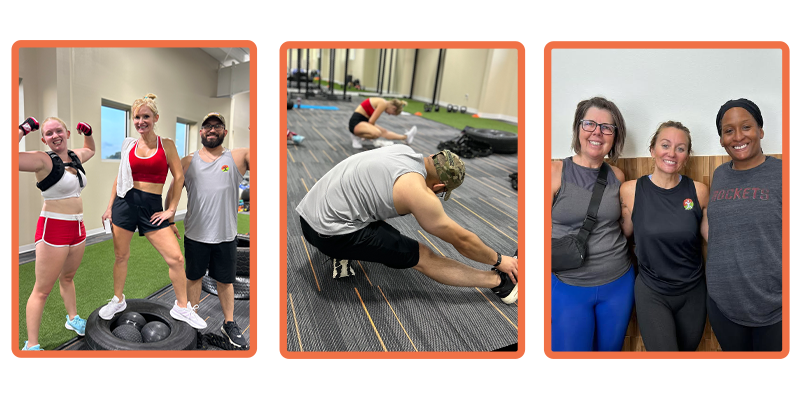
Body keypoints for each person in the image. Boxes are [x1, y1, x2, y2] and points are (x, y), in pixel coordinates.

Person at [296, 145, 518, 304]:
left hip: (307, 214)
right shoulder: (421, 194)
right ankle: (498, 282)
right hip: (329, 234)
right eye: (442, 192)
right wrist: (500, 260)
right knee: (424, 256)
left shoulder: (402, 151)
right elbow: (461, 240)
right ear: (440, 186)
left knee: (377, 214)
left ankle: (344, 246)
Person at [98, 94, 206, 329]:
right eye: (137, 117)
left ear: (155, 118)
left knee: (176, 258)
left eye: (145, 116)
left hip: (152, 207)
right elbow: (120, 179)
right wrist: (109, 207)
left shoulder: (166, 144)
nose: (140, 121)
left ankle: (181, 306)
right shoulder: (129, 145)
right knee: (120, 256)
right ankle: (118, 300)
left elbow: (178, 177)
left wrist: (171, 211)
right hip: (125, 205)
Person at [550, 97, 632, 351]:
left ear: (614, 136)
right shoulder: (553, 171)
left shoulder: (617, 176)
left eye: (607, 127)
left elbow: (622, 227)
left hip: (619, 283)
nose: (597, 132)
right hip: (568, 285)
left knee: (609, 356)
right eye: (590, 124)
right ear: (578, 129)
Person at [619, 121, 709, 351]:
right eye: (665, 145)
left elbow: (714, 238)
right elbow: (621, 234)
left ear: (687, 156)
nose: (672, 153)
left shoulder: (698, 191)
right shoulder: (631, 191)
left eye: (680, 148)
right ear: (652, 150)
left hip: (693, 292)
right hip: (652, 291)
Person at [166, 112, 250, 349]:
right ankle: (192, 320)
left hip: (225, 235)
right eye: (207, 126)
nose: (212, 129)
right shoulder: (188, 161)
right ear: (201, 132)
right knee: (194, 278)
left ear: (224, 131)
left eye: (217, 126)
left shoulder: (237, 157)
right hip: (196, 234)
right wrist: (169, 220)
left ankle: (229, 323)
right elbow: (172, 192)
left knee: (225, 281)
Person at [703, 98, 782, 351]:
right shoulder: (719, 175)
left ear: (760, 130)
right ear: (721, 139)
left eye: (746, 127)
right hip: (723, 306)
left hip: (776, 308)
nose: (738, 136)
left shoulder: (786, 174)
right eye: (728, 130)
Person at [18, 116, 95, 350]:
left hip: (78, 227)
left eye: (59, 131)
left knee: (68, 278)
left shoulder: (74, 156)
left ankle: (73, 319)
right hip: (53, 228)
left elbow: (90, 149)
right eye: (49, 133)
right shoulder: (42, 160)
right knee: (42, 290)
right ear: (43, 139)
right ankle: (32, 345)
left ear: (67, 133)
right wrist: (21, 130)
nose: (55, 136)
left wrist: (88, 133)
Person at [349, 97, 416, 149]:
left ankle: (406, 137)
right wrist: (369, 133)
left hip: (363, 122)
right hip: (355, 123)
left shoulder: (382, 102)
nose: (389, 114)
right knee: (377, 133)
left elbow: (371, 122)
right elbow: (371, 121)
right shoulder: (383, 104)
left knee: (384, 132)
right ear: (394, 108)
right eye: (392, 113)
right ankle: (355, 136)